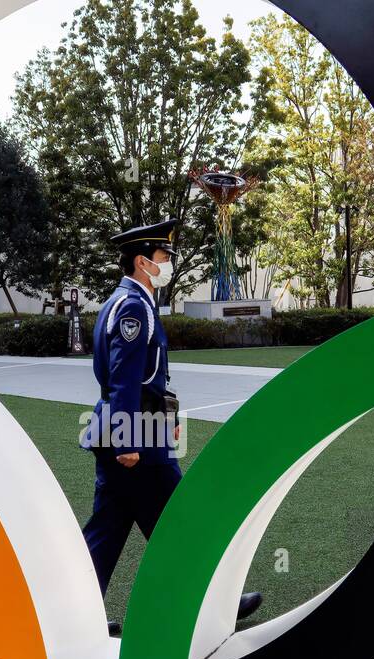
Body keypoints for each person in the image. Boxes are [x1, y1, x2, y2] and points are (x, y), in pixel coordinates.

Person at [80, 219, 262, 636]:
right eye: (164, 257)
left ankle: (72, 619)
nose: (169, 264)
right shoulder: (133, 306)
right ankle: (218, 605)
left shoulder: (124, 301)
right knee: (185, 523)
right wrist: (127, 438)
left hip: (133, 433)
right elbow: (124, 378)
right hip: (137, 439)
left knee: (106, 533)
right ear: (143, 262)